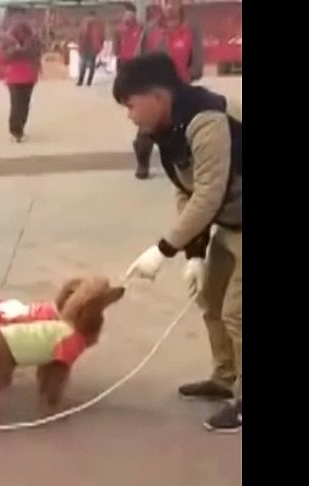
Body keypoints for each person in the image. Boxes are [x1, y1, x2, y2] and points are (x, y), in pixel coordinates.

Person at [115, 53, 242, 432]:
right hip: (232, 222)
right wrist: (194, 255)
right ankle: (224, 378)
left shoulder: (207, 121)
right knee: (211, 297)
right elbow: (186, 190)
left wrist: (163, 250)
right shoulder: (166, 131)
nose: (130, 115)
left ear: (157, 96)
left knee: (238, 312)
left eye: (130, 104)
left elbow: (208, 193)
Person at [130, 0, 203, 179]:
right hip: (154, 87)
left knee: (182, 127)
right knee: (146, 129)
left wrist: (191, 73)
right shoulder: (151, 29)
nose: (169, 7)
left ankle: (182, 163)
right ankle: (142, 163)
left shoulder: (190, 28)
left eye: (173, 3)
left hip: (180, 86)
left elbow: (197, 58)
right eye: (165, 2)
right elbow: (139, 55)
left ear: (180, 4)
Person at [0, 6, 42, 142]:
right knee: (16, 102)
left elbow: (38, 52)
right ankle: (15, 130)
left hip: (29, 74)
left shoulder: (33, 37)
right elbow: (1, 56)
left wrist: (28, 52)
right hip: (14, 75)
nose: (19, 20)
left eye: (22, 16)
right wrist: (14, 51)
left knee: (25, 103)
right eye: (16, 17)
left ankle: (20, 127)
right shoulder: (6, 38)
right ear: (11, 19)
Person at [76, 13, 106, 87]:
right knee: (85, 65)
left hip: (90, 48)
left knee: (86, 65)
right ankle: (85, 81)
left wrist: (100, 47)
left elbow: (101, 37)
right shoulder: (87, 26)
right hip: (86, 48)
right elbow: (80, 36)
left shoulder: (95, 27)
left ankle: (84, 81)